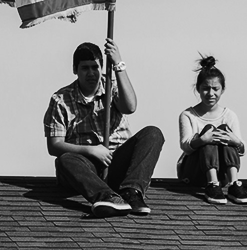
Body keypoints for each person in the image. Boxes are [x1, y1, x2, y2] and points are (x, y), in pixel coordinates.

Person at [43, 40, 164, 218]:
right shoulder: (60, 99)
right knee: (64, 160)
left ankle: (132, 192)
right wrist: (91, 150)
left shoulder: (111, 87)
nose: (91, 73)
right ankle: (107, 197)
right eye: (85, 68)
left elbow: (130, 107)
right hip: (86, 167)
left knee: (153, 133)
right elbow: (54, 145)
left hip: (116, 163)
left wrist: (118, 64)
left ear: (101, 67)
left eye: (95, 67)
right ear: (75, 70)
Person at [177, 55, 247, 205]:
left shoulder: (229, 115)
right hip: (194, 172)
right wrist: (202, 140)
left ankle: (234, 184)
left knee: (224, 130)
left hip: (222, 173)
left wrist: (235, 141)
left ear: (222, 89)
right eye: (206, 89)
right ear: (198, 89)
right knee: (209, 131)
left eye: (215, 89)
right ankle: (212, 184)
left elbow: (241, 149)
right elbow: (185, 146)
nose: (211, 94)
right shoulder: (188, 115)